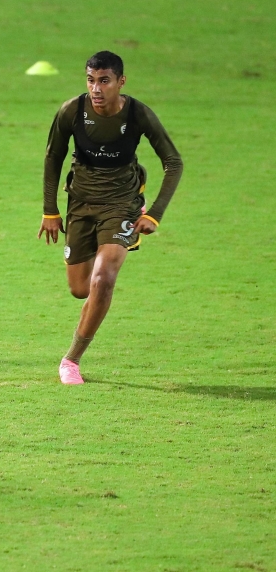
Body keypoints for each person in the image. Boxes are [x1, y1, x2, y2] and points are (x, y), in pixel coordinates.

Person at [38, 51, 183, 385]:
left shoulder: (138, 114)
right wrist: (50, 211)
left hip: (121, 204)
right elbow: (53, 157)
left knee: (103, 279)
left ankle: (71, 360)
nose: (96, 89)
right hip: (81, 202)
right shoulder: (72, 111)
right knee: (80, 289)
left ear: (121, 81)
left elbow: (174, 162)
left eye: (104, 80)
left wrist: (156, 215)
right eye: (91, 80)